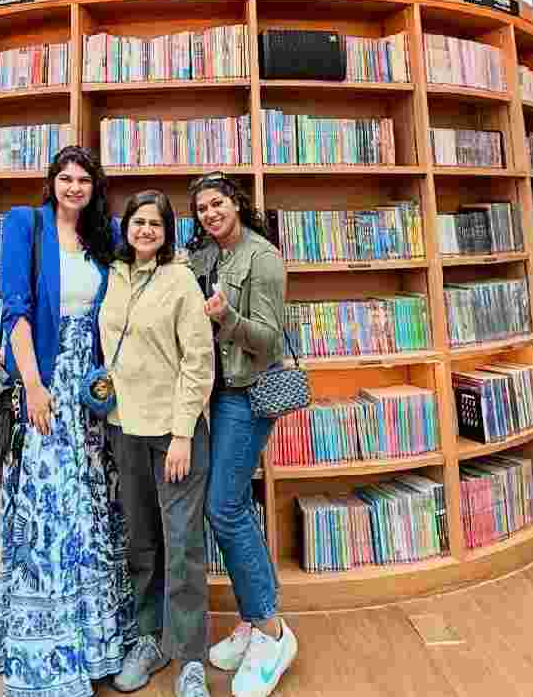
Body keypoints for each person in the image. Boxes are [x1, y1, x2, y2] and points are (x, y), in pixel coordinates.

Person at [0, 146, 132, 697]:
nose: (74, 187)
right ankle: (46, 653)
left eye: (84, 180)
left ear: (95, 188)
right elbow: (16, 311)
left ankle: (96, 643)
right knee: (50, 509)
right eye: (65, 177)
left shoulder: (106, 234)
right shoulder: (25, 225)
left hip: (92, 393)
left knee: (93, 508)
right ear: (51, 182)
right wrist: (33, 386)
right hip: (46, 383)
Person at [185, 173, 297, 697]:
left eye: (218, 203)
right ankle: (254, 619)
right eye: (202, 208)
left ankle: (272, 631)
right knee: (232, 507)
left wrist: (228, 319)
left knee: (225, 508)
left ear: (236, 203)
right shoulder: (207, 253)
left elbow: (270, 340)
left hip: (246, 394)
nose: (211, 213)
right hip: (214, 391)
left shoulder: (263, 257)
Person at [101, 190, 215, 697]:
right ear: (125, 226)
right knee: (142, 542)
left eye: (156, 223)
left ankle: (189, 658)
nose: (146, 230)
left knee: (183, 546)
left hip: (175, 435)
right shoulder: (113, 274)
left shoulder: (180, 279)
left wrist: (184, 432)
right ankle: (149, 639)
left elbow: (199, 361)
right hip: (124, 426)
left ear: (168, 232)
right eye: (138, 221)